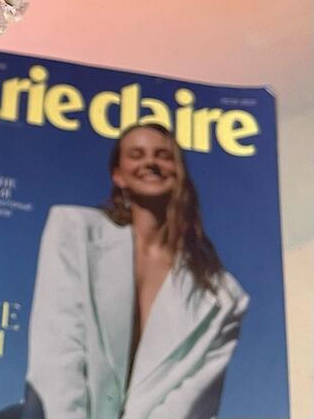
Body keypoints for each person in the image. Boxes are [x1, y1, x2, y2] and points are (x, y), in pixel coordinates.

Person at [21, 123, 248, 419]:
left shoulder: (224, 297)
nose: (150, 162)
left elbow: (190, 402)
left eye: (163, 155)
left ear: (180, 172)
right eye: (136, 154)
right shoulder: (74, 231)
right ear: (118, 175)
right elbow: (58, 350)